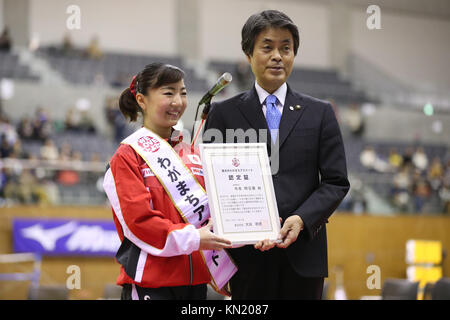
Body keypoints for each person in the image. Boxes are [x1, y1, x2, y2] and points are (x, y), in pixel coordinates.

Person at [203, 10, 350, 299]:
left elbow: (336, 182)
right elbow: (213, 181)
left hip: (304, 254)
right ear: (248, 54)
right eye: (267, 47)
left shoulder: (320, 113)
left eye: (286, 48)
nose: (277, 56)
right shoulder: (223, 113)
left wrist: (302, 219)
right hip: (245, 258)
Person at [103, 63, 233, 300]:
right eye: (168, 92)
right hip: (152, 284)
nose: (178, 101)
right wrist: (194, 238)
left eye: (182, 93)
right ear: (142, 100)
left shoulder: (193, 154)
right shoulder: (126, 157)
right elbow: (139, 223)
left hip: (197, 283)